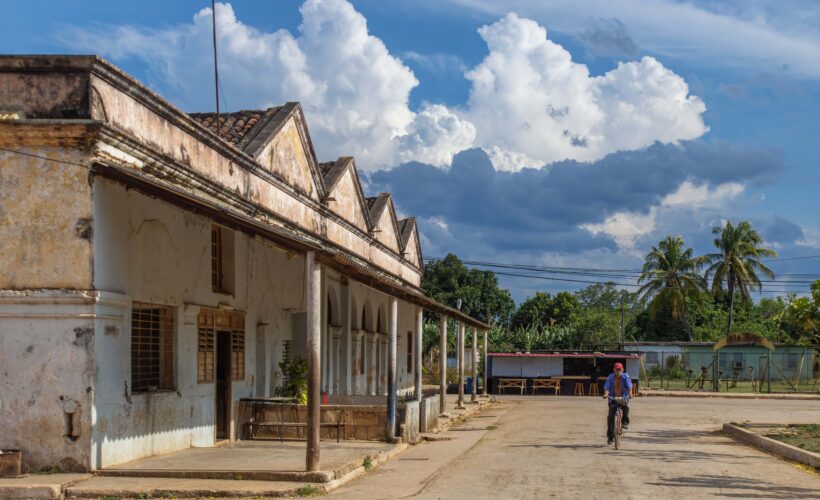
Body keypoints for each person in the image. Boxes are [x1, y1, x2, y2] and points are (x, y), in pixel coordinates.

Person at [602, 362, 632, 445]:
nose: (618, 371)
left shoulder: (625, 376)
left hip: (623, 397)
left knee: (626, 408)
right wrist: (606, 394)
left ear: (622, 369)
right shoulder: (610, 377)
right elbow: (607, 387)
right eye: (616, 369)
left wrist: (630, 393)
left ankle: (625, 422)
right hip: (613, 398)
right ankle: (610, 437)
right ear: (614, 370)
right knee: (611, 417)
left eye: (619, 369)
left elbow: (629, 387)